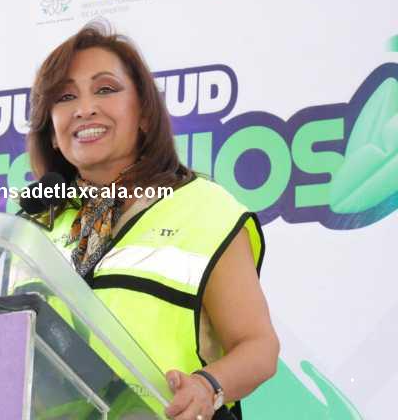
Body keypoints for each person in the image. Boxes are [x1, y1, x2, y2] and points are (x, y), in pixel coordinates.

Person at [25, 22, 279, 420]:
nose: (84, 108)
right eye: (65, 97)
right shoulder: (33, 228)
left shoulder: (203, 207)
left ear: (144, 113)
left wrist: (206, 387)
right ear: (53, 133)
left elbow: (259, 347)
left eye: (105, 89)